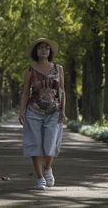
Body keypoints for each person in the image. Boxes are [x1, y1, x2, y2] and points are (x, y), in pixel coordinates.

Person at [19, 37, 65, 190]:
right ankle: (40, 178)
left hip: (54, 111)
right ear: (36, 52)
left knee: (50, 144)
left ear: (50, 51)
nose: (44, 50)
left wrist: (63, 110)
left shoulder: (58, 69)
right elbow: (25, 92)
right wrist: (21, 112)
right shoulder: (30, 71)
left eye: (46, 47)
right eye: (40, 48)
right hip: (33, 111)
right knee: (35, 144)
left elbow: (62, 91)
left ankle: (48, 168)